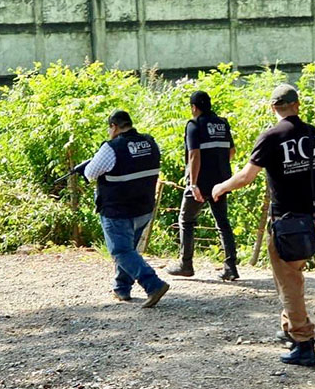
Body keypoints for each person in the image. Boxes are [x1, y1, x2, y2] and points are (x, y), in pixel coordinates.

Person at [211, 83, 315, 367]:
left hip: (284, 222)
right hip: (310, 220)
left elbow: (246, 177)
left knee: (289, 281)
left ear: (272, 108)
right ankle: (289, 328)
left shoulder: (271, 137)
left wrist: (221, 186)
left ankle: (304, 342)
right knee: (291, 276)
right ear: (297, 105)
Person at [83, 110, 169, 308]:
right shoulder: (150, 142)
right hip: (144, 208)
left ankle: (153, 284)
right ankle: (121, 288)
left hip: (118, 210)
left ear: (114, 127)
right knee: (129, 250)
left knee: (120, 251)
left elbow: (90, 173)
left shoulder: (111, 147)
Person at [166, 91, 239, 281]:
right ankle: (231, 267)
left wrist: (193, 184)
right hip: (221, 181)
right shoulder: (222, 123)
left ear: (193, 107)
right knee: (222, 222)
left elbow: (194, 155)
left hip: (200, 182)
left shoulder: (194, 125)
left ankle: (186, 264)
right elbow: (231, 151)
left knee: (186, 220)